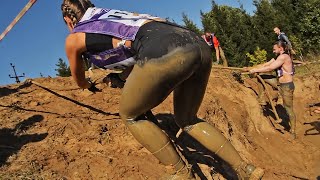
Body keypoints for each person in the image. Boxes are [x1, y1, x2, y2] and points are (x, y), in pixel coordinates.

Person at [61, 0, 264, 179]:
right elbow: (138, 52)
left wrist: (88, 86)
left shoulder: (76, 36)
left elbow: (79, 80)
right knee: (187, 119)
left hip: (164, 50)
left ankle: (181, 172)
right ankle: (246, 169)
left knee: (130, 114)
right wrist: (119, 78)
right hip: (196, 44)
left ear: (68, 20)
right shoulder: (113, 18)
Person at [246, 41, 296, 138]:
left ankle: (293, 131)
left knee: (288, 109)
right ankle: (261, 99)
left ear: (281, 48)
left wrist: (255, 70)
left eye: (274, 49)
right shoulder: (278, 57)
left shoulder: (284, 57)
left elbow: (270, 68)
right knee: (261, 76)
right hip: (279, 83)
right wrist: (249, 68)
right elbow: (265, 65)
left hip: (286, 86)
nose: (273, 51)